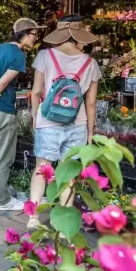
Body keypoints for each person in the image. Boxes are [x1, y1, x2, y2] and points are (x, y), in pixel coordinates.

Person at [27, 16, 101, 229]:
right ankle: (63, 220)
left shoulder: (44, 56)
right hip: (77, 124)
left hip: (48, 121)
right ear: (79, 36)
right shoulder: (91, 63)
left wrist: (34, 115)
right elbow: (91, 102)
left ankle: (33, 217)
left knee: (42, 168)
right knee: (69, 173)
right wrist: (90, 132)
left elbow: (37, 91)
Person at [0, 18, 46, 211]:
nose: (35, 39)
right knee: (2, 156)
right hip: (1, 108)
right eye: (34, 35)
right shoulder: (18, 55)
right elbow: (4, 83)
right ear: (23, 34)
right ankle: (2, 200)